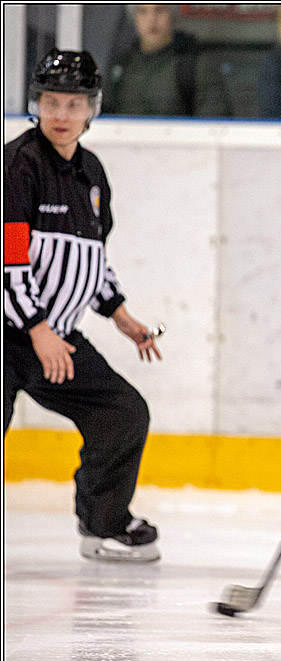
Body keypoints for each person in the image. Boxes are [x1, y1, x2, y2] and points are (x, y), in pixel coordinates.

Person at [4, 49, 163, 563]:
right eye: (52, 102)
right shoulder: (17, 165)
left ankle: (105, 525)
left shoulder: (91, 173)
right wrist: (37, 329)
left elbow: (92, 257)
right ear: (37, 104)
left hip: (56, 336)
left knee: (122, 412)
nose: (61, 114)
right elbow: (8, 260)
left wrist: (120, 315)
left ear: (91, 109)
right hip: (16, 333)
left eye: (73, 104)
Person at [104, 4, 232, 118]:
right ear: (134, 18)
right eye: (142, 11)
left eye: (159, 10)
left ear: (172, 14)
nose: (152, 20)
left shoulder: (193, 64)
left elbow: (214, 123)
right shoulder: (121, 67)